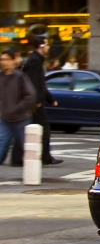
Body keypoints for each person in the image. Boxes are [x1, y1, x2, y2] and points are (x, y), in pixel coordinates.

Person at [22, 37, 63, 165]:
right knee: (43, 126)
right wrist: (37, 100)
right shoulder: (35, 61)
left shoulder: (37, 59)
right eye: (46, 44)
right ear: (40, 46)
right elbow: (33, 83)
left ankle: (22, 157)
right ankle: (45, 157)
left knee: (29, 128)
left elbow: (40, 84)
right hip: (34, 102)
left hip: (34, 100)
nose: (48, 47)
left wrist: (50, 99)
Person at [0, 49, 36, 166]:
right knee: (1, 145)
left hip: (21, 119)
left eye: (6, 59)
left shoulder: (20, 76)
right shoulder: (0, 77)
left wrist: (17, 108)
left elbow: (30, 95)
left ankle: (32, 169)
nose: (3, 62)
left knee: (27, 146)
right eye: (2, 59)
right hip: (4, 119)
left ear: (12, 61)